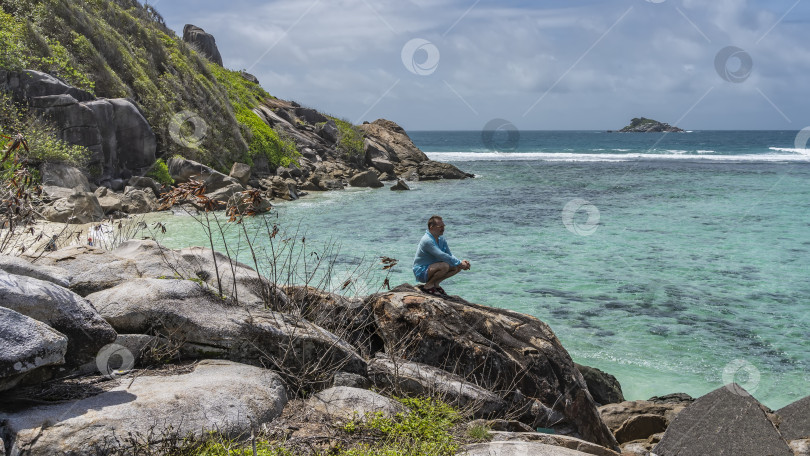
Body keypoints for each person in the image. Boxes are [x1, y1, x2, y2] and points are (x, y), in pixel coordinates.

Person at [412, 215, 470, 297]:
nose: (443, 228)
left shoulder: (441, 239)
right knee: (445, 266)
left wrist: (460, 262)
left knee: (456, 267)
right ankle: (428, 286)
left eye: (443, 226)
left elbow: (449, 254)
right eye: (440, 226)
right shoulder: (427, 240)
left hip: (432, 268)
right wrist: (459, 262)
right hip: (421, 271)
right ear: (431, 227)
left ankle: (436, 284)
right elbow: (441, 255)